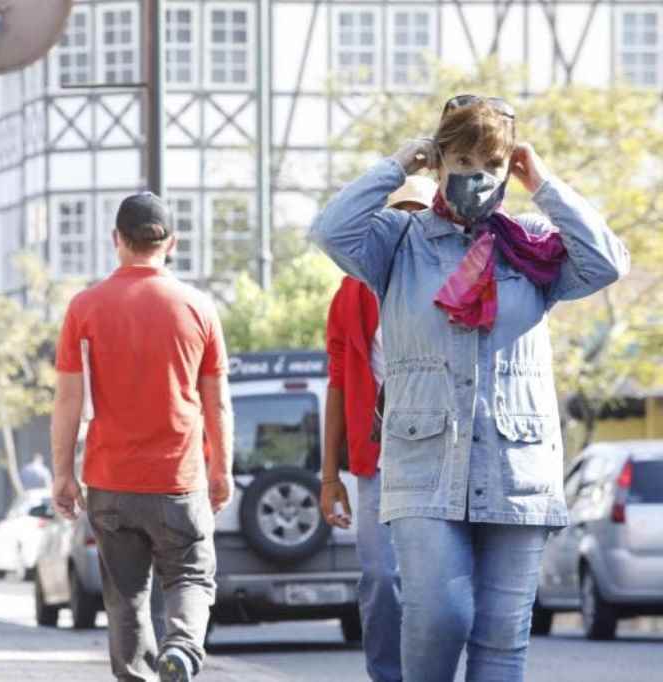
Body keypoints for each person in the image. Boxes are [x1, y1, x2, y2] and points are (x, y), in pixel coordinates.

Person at [309, 95, 629, 682]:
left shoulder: (533, 244)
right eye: (462, 160)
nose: (476, 176)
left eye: (491, 163)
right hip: (424, 464)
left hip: (517, 468)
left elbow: (608, 262)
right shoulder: (397, 243)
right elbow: (329, 231)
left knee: (502, 638)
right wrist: (397, 165)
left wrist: (544, 183)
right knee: (441, 613)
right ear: (438, 163)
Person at [51, 192, 234, 682]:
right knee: (190, 576)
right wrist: (221, 468)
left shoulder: (84, 307)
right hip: (179, 479)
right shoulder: (198, 308)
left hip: (110, 482)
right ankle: (182, 648)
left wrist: (63, 474)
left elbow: (68, 400)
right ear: (171, 243)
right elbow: (217, 402)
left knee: (126, 598)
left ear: (117, 240)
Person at [321, 173, 438, 682]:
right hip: (378, 460)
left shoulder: (454, 280)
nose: (408, 226)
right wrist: (329, 477)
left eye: (420, 215)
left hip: (441, 455)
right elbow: (338, 384)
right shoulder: (352, 291)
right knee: (380, 577)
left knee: (436, 586)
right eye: (399, 215)